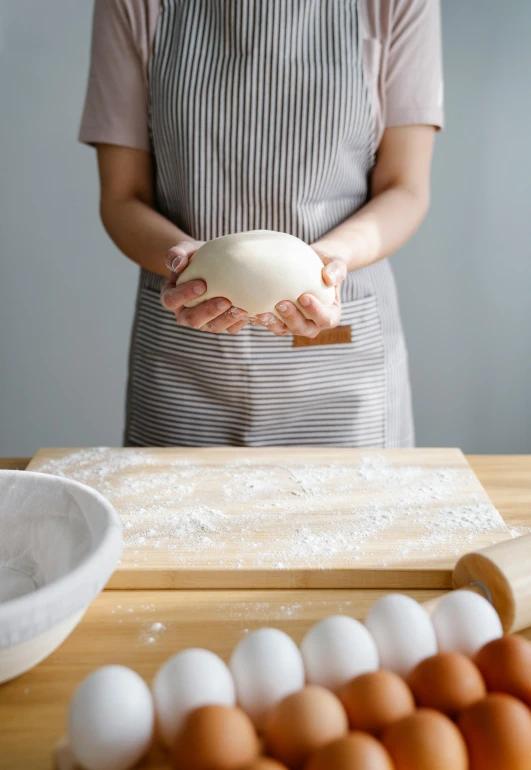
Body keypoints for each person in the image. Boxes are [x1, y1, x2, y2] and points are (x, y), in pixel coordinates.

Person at [80, 0, 443, 448]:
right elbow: (122, 197)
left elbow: (405, 188)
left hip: (339, 362)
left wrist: (332, 261)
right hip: (185, 364)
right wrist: (183, 260)